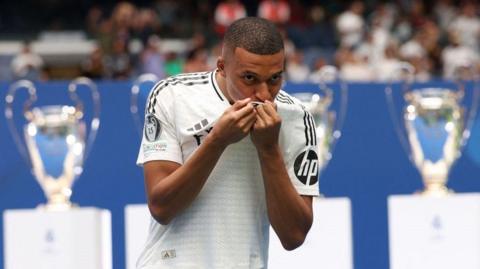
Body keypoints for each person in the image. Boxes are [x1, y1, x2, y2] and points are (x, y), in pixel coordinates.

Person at [136, 17, 319, 268]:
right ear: (221, 67)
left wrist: (268, 149)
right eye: (250, 78)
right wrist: (217, 141)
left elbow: (294, 236)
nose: (264, 94)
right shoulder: (172, 95)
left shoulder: (297, 117)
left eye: (275, 79)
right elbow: (161, 207)